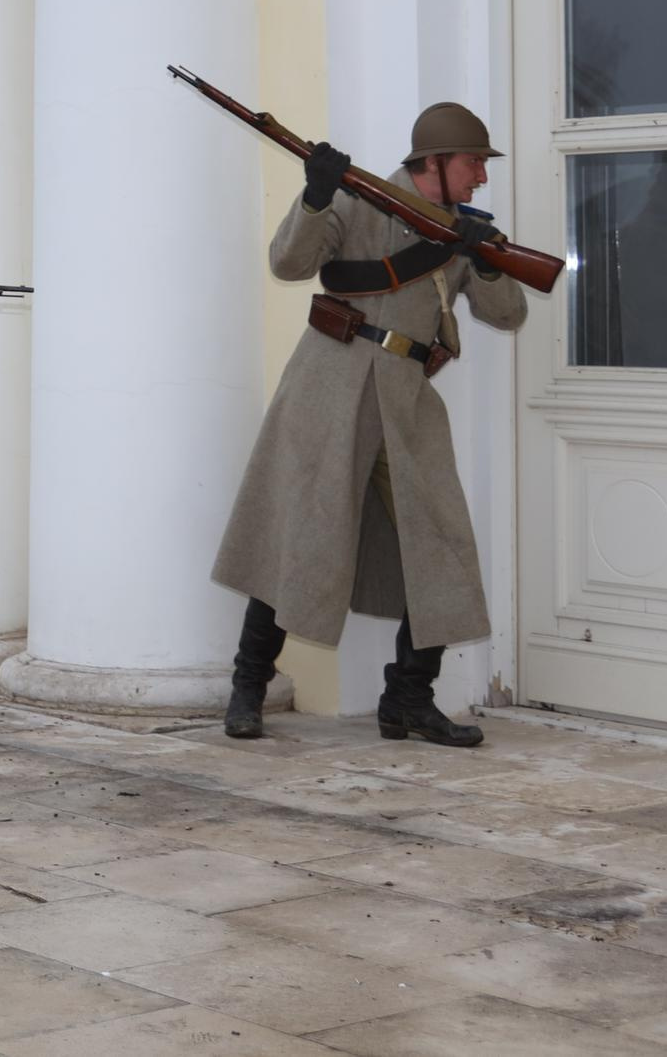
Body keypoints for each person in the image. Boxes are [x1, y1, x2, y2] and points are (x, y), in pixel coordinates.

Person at [211, 102, 530, 748]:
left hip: (407, 397)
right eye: (474, 163)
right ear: (435, 163)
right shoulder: (359, 201)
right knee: (299, 534)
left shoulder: (461, 229)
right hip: (331, 382)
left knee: (440, 541)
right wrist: (316, 194)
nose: (482, 178)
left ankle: (408, 699)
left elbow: (509, 310)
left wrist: (488, 259)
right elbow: (288, 262)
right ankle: (248, 687)